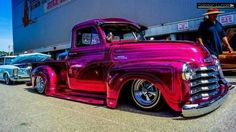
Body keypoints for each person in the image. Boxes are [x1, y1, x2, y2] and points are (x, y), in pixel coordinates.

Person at [197, 8, 235, 89]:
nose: (215, 15)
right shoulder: (203, 25)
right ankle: (225, 83)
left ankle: (212, 84)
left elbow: (223, 36)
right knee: (217, 66)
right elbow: (199, 37)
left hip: (217, 50)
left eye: (216, 14)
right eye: (214, 14)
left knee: (212, 67)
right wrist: (203, 47)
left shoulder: (218, 24)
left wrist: (228, 46)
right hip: (209, 50)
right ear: (209, 15)